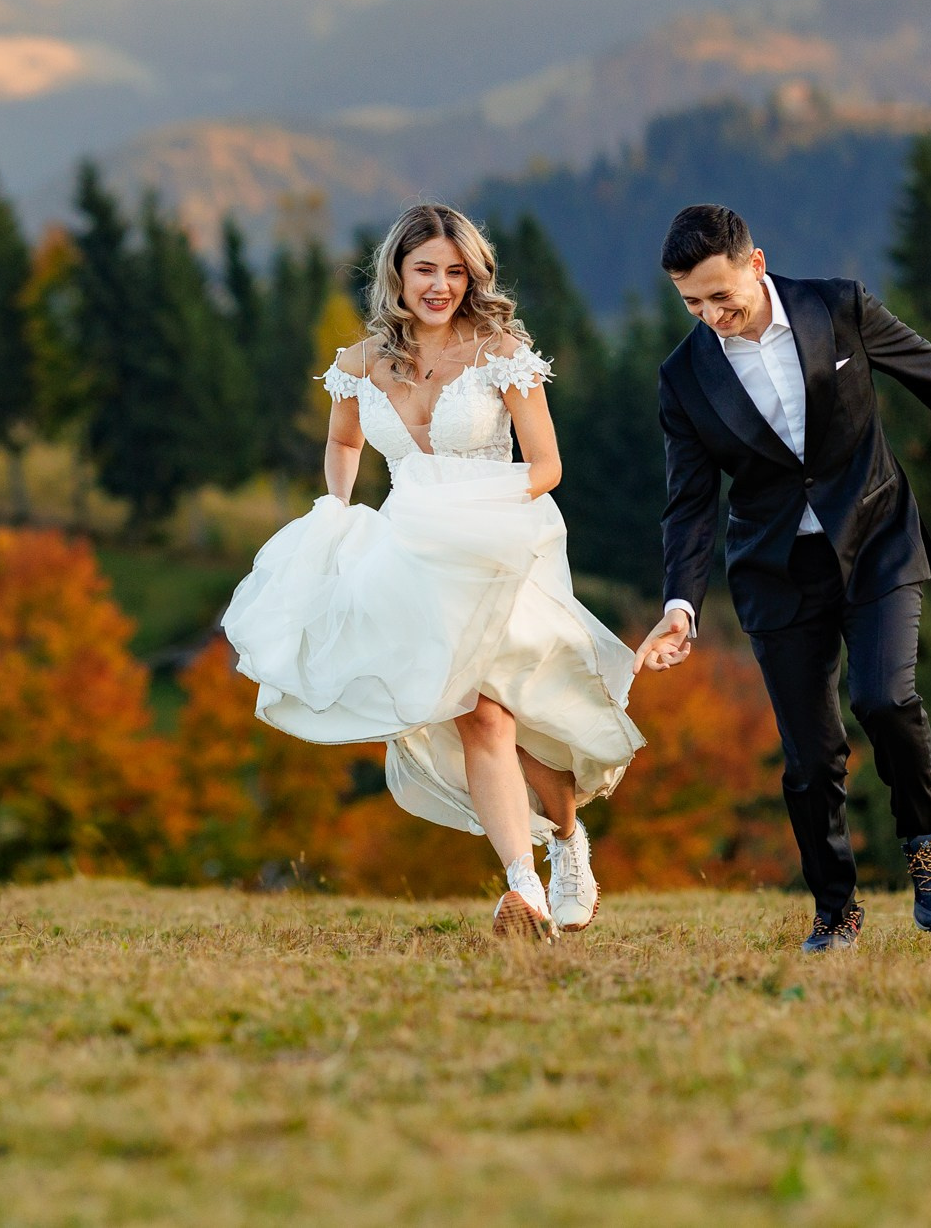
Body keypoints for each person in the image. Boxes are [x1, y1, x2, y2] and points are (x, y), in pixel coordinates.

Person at [222, 203, 645, 937]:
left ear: (471, 276)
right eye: (426, 269)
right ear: (398, 273)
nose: (441, 285)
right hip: (411, 557)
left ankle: (569, 844)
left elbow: (546, 466)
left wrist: (471, 504)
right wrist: (336, 510)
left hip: (499, 544)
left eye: (455, 270)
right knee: (477, 715)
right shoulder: (359, 363)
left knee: (515, 715)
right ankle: (524, 887)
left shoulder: (500, 350)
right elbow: (346, 444)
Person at [635, 204, 931, 953]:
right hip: (775, 572)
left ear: (756, 263)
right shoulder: (683, 377)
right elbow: (690, 503)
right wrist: (681, 606)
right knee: (811, 757)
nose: (711, 316)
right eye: (692, 303)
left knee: (884, 697)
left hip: (877, 537)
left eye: (721, 296)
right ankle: (837, 909)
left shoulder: (838, 306)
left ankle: (929, 851)